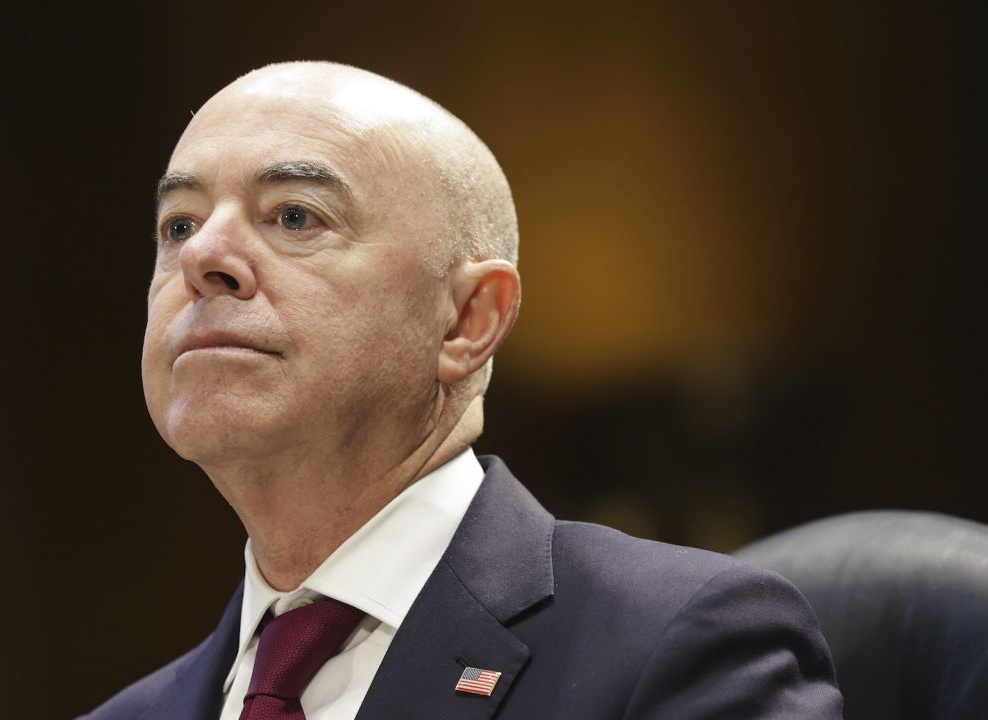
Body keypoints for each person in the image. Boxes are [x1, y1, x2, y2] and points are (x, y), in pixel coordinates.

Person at [82, 61, 843, 719]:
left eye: (293, 215)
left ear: (467, 320)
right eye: (179, 226)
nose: (204, 256)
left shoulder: (678, 642)